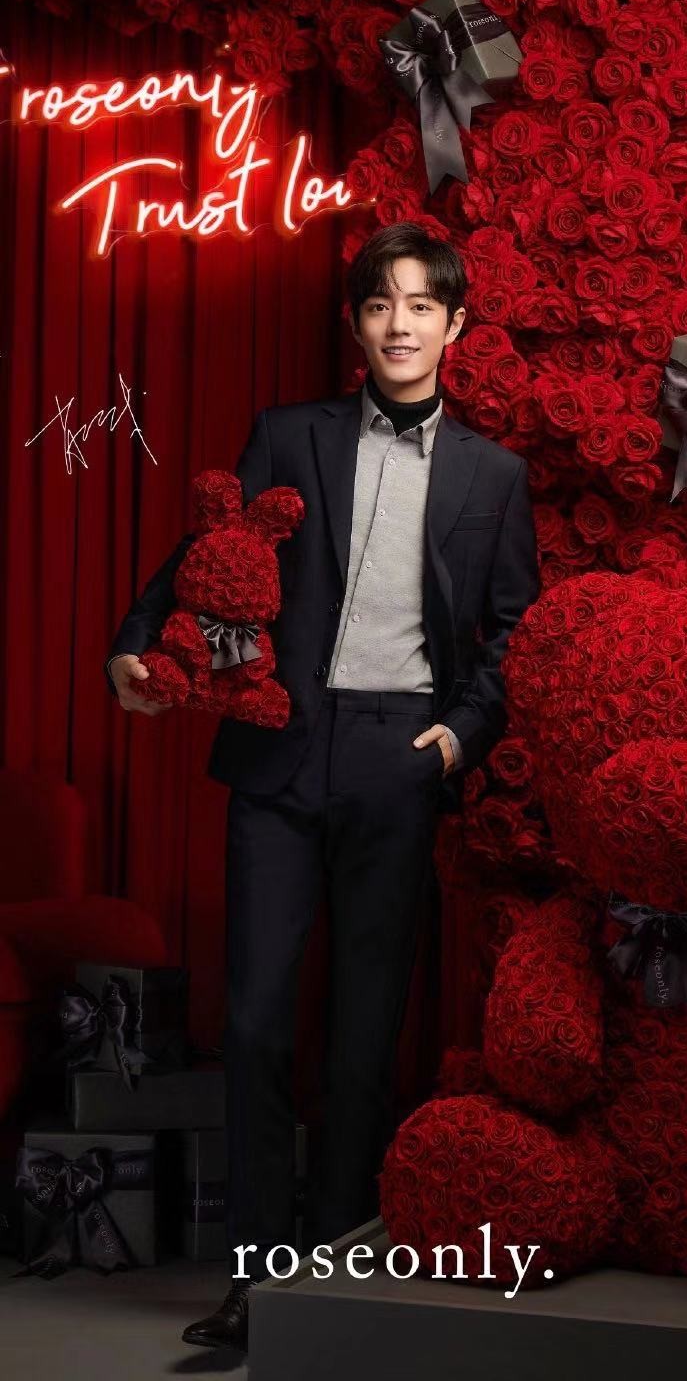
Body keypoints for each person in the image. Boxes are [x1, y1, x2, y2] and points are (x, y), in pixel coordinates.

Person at [106, 221, 539, 1352]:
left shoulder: (495, 476)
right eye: (379, 304)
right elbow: (210, 560)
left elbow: (513, 635)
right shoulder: (288, 433)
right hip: (281, 749)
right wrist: (136, 641)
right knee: (254, 1021)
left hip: (401, 755)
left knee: (361, 1036)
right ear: (355, 323)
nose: (399, 324)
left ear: (453, 324)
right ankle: (256, 1277)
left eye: (420, 305)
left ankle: (334, 1278)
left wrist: (454, 740)